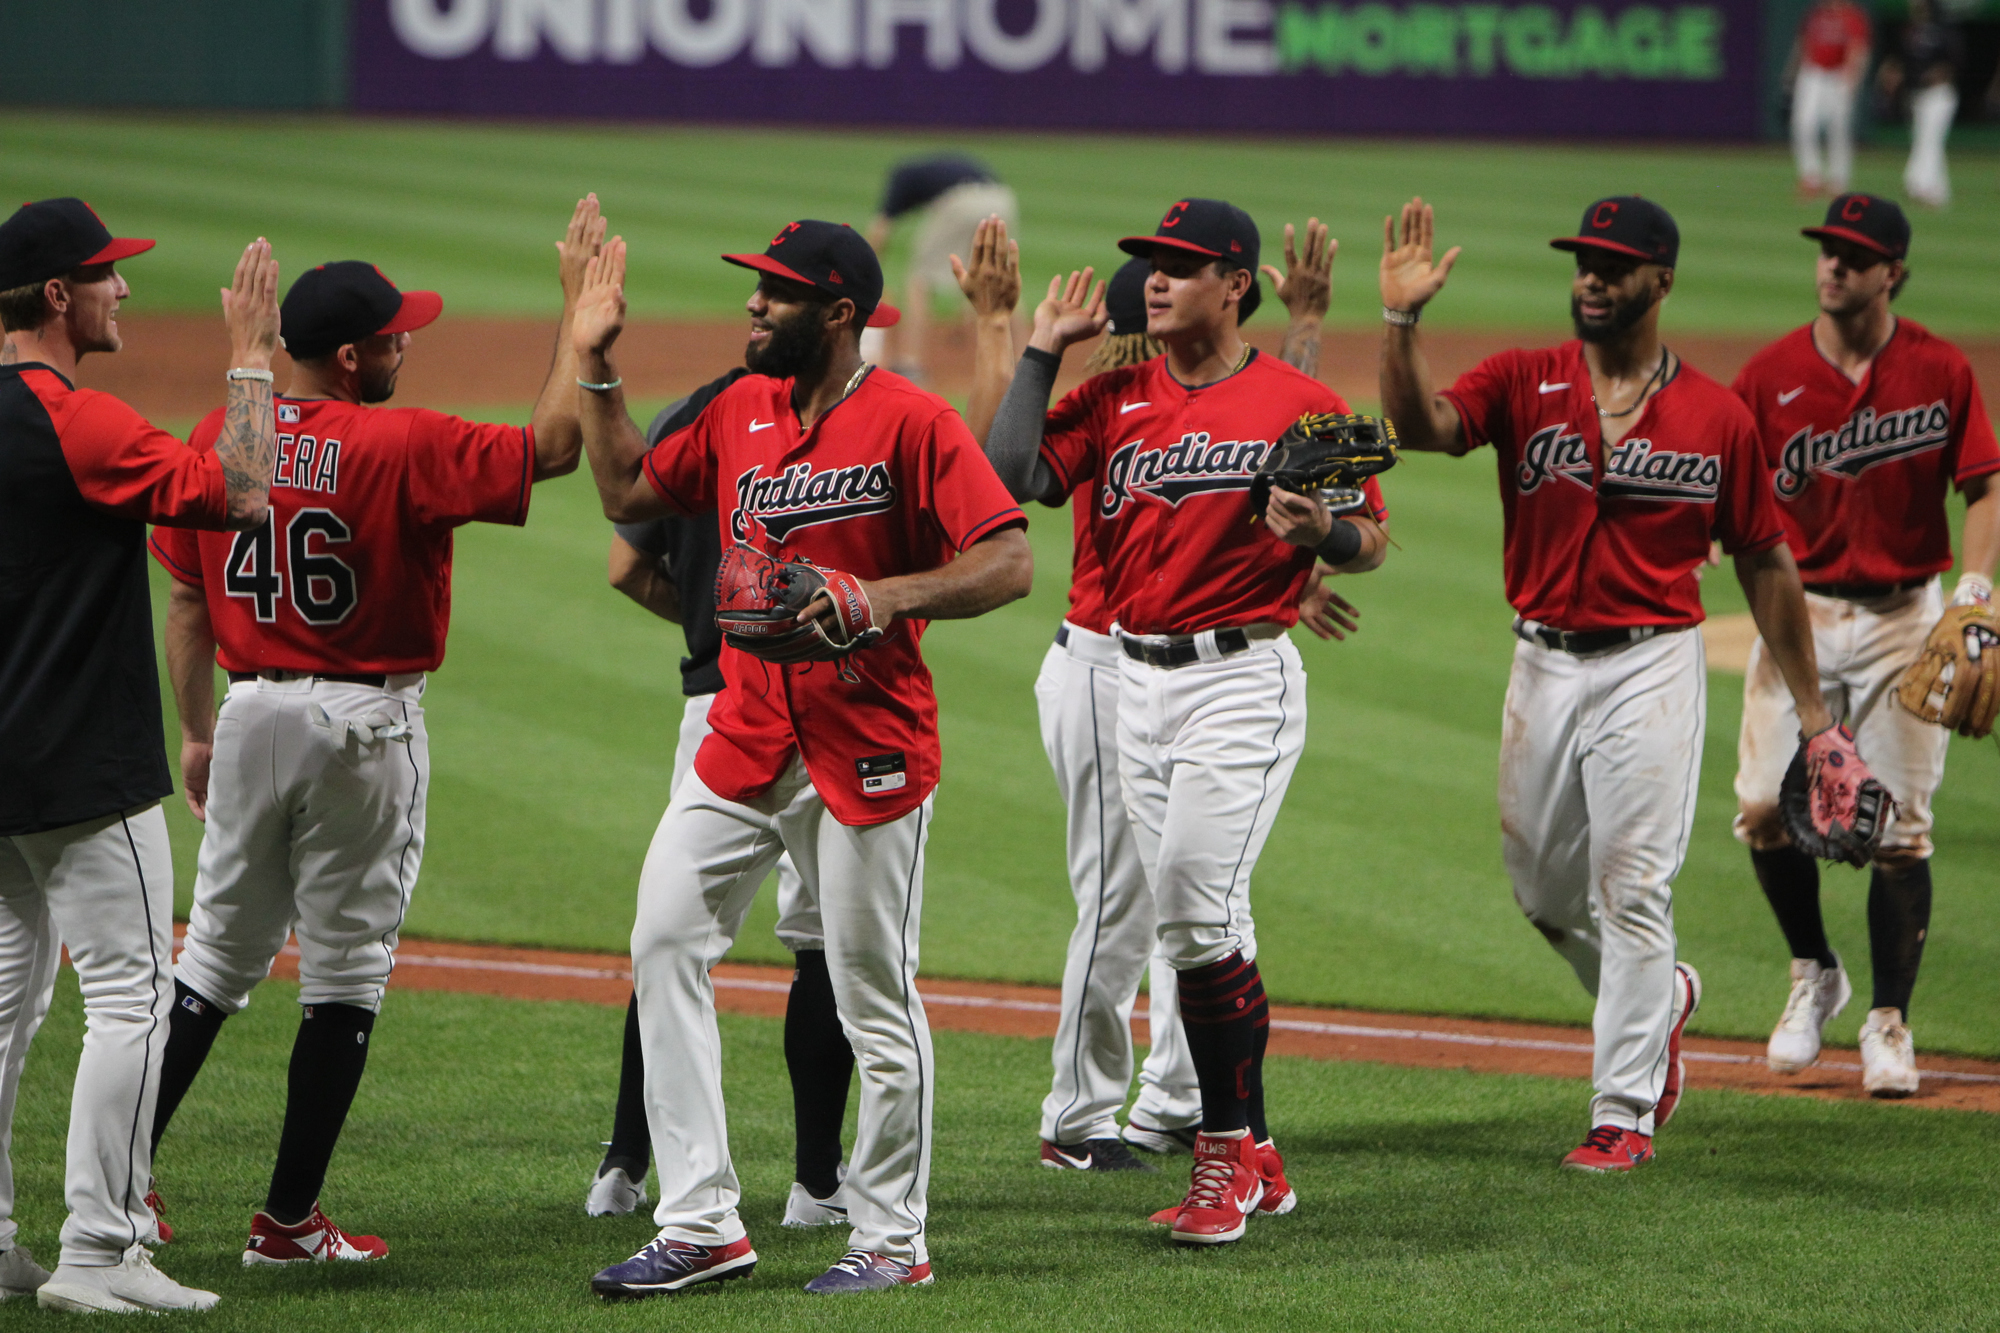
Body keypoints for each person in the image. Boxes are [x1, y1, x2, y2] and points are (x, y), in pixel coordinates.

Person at [571, 216, 1032, 1296]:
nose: (752, 305)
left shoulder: (911, 423)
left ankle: (888, 1237)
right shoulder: (736, 409)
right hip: (742, 736)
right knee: (663, 938)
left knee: (873, 992)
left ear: (838, 314)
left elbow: (1007, 559)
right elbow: (630, 495)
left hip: (867, 743)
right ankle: (700, 1222)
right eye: (754, 289)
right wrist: (592, 365)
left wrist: (882, 596)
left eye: (774, 293)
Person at [142, 199, 595, 1267]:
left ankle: (117, 1188)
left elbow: (187, 602)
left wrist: (197, 733)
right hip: (360, 724)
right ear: (350, 357)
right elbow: (556, 447)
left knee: (207, 963)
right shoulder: (401, 440)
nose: (408, 342)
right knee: (343, 974)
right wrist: (578, 319)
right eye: (395, 334)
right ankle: (287, 1221)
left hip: (248, 713)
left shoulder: (224, 438)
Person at [1377, 194, 1844, 1173]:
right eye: (1583, 262)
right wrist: (1399, 320)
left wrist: (1811, 716)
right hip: (1538, 661)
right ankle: (1658, 997)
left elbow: (1763, 560)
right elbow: (1417, 426)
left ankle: (1620, 1109)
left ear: (1659, 281)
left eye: (1612, 265)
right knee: (1542, 891)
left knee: (1629, 884)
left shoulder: (1715, 417)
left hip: (1650, 663)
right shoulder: (1521, 377)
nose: (1590, 278)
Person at [980, 198, 1390, 1244]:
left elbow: (1369, 542)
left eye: (1179, 266)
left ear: (1235, 285)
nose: (1154, 280)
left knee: (1197, 919)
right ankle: (1250, 1148)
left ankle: (1222, 1157)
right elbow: (1010, 475)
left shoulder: (1297, 403)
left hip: (1236, 684)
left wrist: (1326, 532)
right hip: (1132, 687)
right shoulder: (1114, 395)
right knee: (1181, 920)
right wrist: (1034, 352)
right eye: (1148, 267)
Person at [1, 198, 281, 1314]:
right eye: (107, 275)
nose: (125, 290)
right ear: (58, 297)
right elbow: (247, 494)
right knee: (129, 998)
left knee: (5, 1006)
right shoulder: (81, 421)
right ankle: (99, 1248)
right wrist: (252, 360)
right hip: (81, 766)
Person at [1730, 193, 2000, 1096]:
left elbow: (1984, 485)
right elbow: (1730, 504)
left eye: (1853, 254)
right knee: (1765, 812)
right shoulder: (1767, 377)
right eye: (1826, 250)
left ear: (1893, 271)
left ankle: (1889, 1019)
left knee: (1899, 829)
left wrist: (1975, 594)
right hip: (1795, 615)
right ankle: (1814, 971)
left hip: (1901, 621)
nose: (1832, 266)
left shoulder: (1938, 368)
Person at [587, 384, 854, 1228]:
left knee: (672, 932)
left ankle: (623, 1165)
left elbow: (627, 564)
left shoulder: (692, 418)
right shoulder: (858, 425)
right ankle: (817, 1185)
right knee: (823, 945)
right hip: (832, 710)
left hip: (714, 705)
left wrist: (714, 621)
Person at [862, 155, 1018, 383]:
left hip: (961, 202)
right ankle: (1022, 365)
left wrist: (863, 274)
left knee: (920, 281)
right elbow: (966, 269)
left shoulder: (901, 177)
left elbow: (880, 229)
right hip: (1003, 199)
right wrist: (962, 314)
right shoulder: (940, 171)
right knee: (1001, 277)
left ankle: (911, 363)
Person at [1883, 0, 1963, 208]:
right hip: (1917, 94)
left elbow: (1954, 62)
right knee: (1926, 141)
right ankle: (1938, 192)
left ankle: (1919, 185)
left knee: (1930, 141)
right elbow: (1902, 61)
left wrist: (1940, 73)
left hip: (1939, 95)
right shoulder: (1912, 31)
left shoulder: (1944, 30)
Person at [1789, 0, 1872, 199]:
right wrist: (1792, 72)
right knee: (1803, 123)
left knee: (1838, 129)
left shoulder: (1852, 16)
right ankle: (1811, 177)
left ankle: (1838, 180)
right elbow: (1803, 43)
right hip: (1813, 72)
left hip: (1839, 74)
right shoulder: (1815, 14)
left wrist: (1853, 78)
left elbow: (1858, 48)